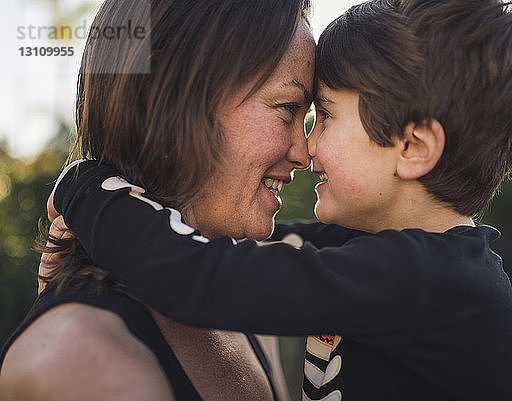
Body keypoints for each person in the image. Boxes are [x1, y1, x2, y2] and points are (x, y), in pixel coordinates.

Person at [33, 0, 512, 400]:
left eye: (323, 114)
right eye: (290, 111)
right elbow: (229, 250)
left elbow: (206, 276)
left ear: (411, 147)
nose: (307, 148)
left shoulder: (429, 282)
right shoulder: (396, 260)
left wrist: (87, 189)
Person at [0, 0, 316, 400]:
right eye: (288, 109)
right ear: (165, 94)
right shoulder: (77, 363)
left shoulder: (240, 300)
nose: (304, 154)